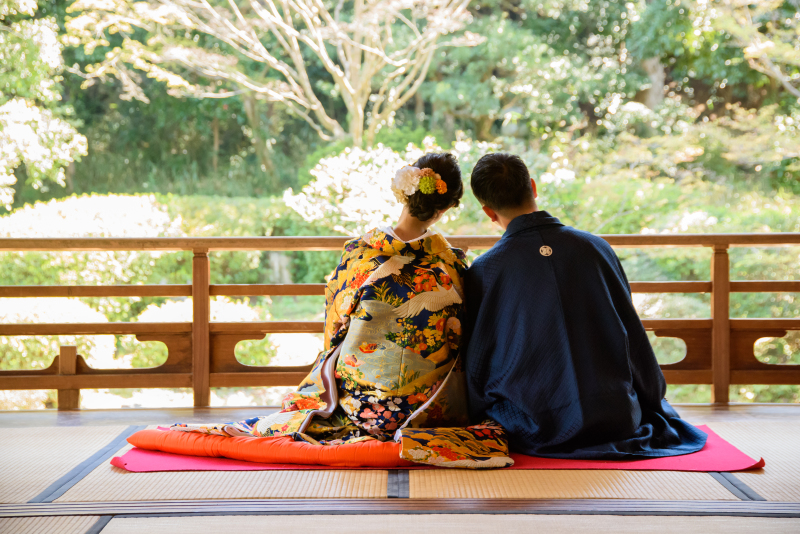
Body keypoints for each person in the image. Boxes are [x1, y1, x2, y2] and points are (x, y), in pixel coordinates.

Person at [172, 152, 512, 469]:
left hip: (364, 408)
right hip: (430, 411)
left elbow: (334, 329)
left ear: (404, 194)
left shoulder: (359, 256)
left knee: (338, 352)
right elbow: (462, 334)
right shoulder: (451, 266)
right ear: (446, 208)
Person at [463, 152, 708, 459]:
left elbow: (477, 361)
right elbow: (631, 336)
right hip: (615, 416)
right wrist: (651, 399)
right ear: (534, 187)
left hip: (534, 423)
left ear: (487, 211)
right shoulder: (596, 248)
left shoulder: (486, 269)